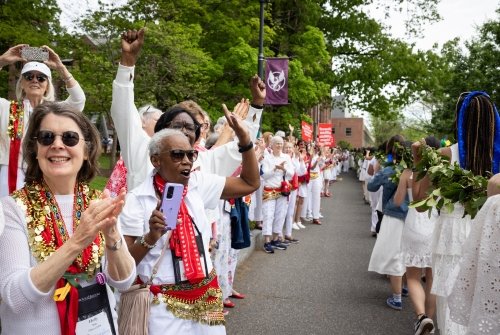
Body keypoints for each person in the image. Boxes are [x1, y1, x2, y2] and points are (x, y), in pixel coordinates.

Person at [118, 105, 260, 334]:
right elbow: (122, 267)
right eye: (177, 155)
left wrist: (245, 140)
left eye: (190, 154)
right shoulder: (137, 200)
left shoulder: (198, 184)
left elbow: (250, 183)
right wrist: (151, 237)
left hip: (207, 296)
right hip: (162, 305)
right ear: (156, 160)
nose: (187, 161)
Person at [0, 101, 135, 334]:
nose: (57, 145)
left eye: (70, 138)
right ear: (35, 149)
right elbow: (14, 296)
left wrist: (111, 233)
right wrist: (77, 242)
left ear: (86, 151)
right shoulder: (12, 207)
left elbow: (124, 282)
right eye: (46, 137)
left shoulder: (98, 202)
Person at [111, 28, 264, 190]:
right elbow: (124, 112)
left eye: (190, 127)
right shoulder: (142, 153)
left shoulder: (204, 165)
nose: (184, 131)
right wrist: (127, 63)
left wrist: (256, 106)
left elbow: (240, 149)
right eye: (177, 126)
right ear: (161, 130)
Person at [412, 91, 500, 335]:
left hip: (453, 238)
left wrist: (418, 158)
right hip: (490, 236)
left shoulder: (445, 156)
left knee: (452, 312)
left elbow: (419, 203)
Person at [0, 44, 86, 196]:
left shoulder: (54, 111)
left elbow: (78, 100)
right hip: (11, 175)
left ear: (47, 85)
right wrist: (2, 61)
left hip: (46, 172)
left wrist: (60, 67)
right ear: (22, 83)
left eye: (41, 78)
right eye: (29, 76)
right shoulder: (6, 108)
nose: (35, 80)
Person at [395, 136, 440, 335]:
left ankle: (422, 316)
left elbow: (406, 200)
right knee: (431, 278)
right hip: (436, 223)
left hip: (415, 222)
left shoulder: (411, 171)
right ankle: (429, 325)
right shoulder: (444, 173)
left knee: (413, 276)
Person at [367, 135, 409, 311]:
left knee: (394, 254)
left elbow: (371, 187)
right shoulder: (415, 171)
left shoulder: (388, 170)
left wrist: (378, 170)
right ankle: (405, 287)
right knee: (408, 253)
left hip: (393, 215)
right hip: (414, 216)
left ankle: (397, 297)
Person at [260, 135, 294, 253]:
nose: (279, 146)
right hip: (270, 189)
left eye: (280, 143)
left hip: (282, 190)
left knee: (280, 215)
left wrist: (284, 169)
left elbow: (292, 173)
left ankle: (275, 239)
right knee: (268, 215)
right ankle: (267, 241)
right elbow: (264, 175)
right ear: (272, 145)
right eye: (277, 143)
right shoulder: (267, 158)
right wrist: (275, 169)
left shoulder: (286, 157)